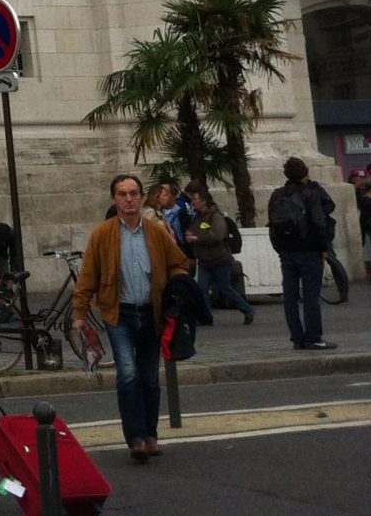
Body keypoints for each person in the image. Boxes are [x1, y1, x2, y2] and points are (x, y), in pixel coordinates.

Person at [75, 172, 191, 461]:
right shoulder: (102, 234)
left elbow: (179, 264)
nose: (129, 199)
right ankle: (136, 438)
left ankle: (151, 435)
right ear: (115, 199)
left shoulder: (156, 232)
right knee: (127, 374)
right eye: (122, 194)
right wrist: (80, 311)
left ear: (141, 197)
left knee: (150, 378)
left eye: (133, 193)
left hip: (152, 314)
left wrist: (177, 288)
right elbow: (88, 275)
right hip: (120, 315)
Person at [266, 156, 338, 350]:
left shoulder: (277, 195)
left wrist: (279, 248)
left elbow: (271, 224)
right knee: (311, 296)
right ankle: (313, 337)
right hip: (309, 251)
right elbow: (318, 223)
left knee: (290, 297)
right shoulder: (310, 193)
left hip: (286, 251)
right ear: (305, 173)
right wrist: (324, 248)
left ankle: (297, 338)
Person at [183, 187, 254, 325]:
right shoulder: (197, 217)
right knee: (202, 289)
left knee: (225, 288)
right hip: (204, 261)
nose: (193, 202)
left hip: (220, 259)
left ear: (204, 201)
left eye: (196, 199)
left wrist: (197, 238)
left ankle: (247, 309)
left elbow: (217, 235)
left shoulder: (216, 216)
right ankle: (206, 317)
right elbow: (193, 230)